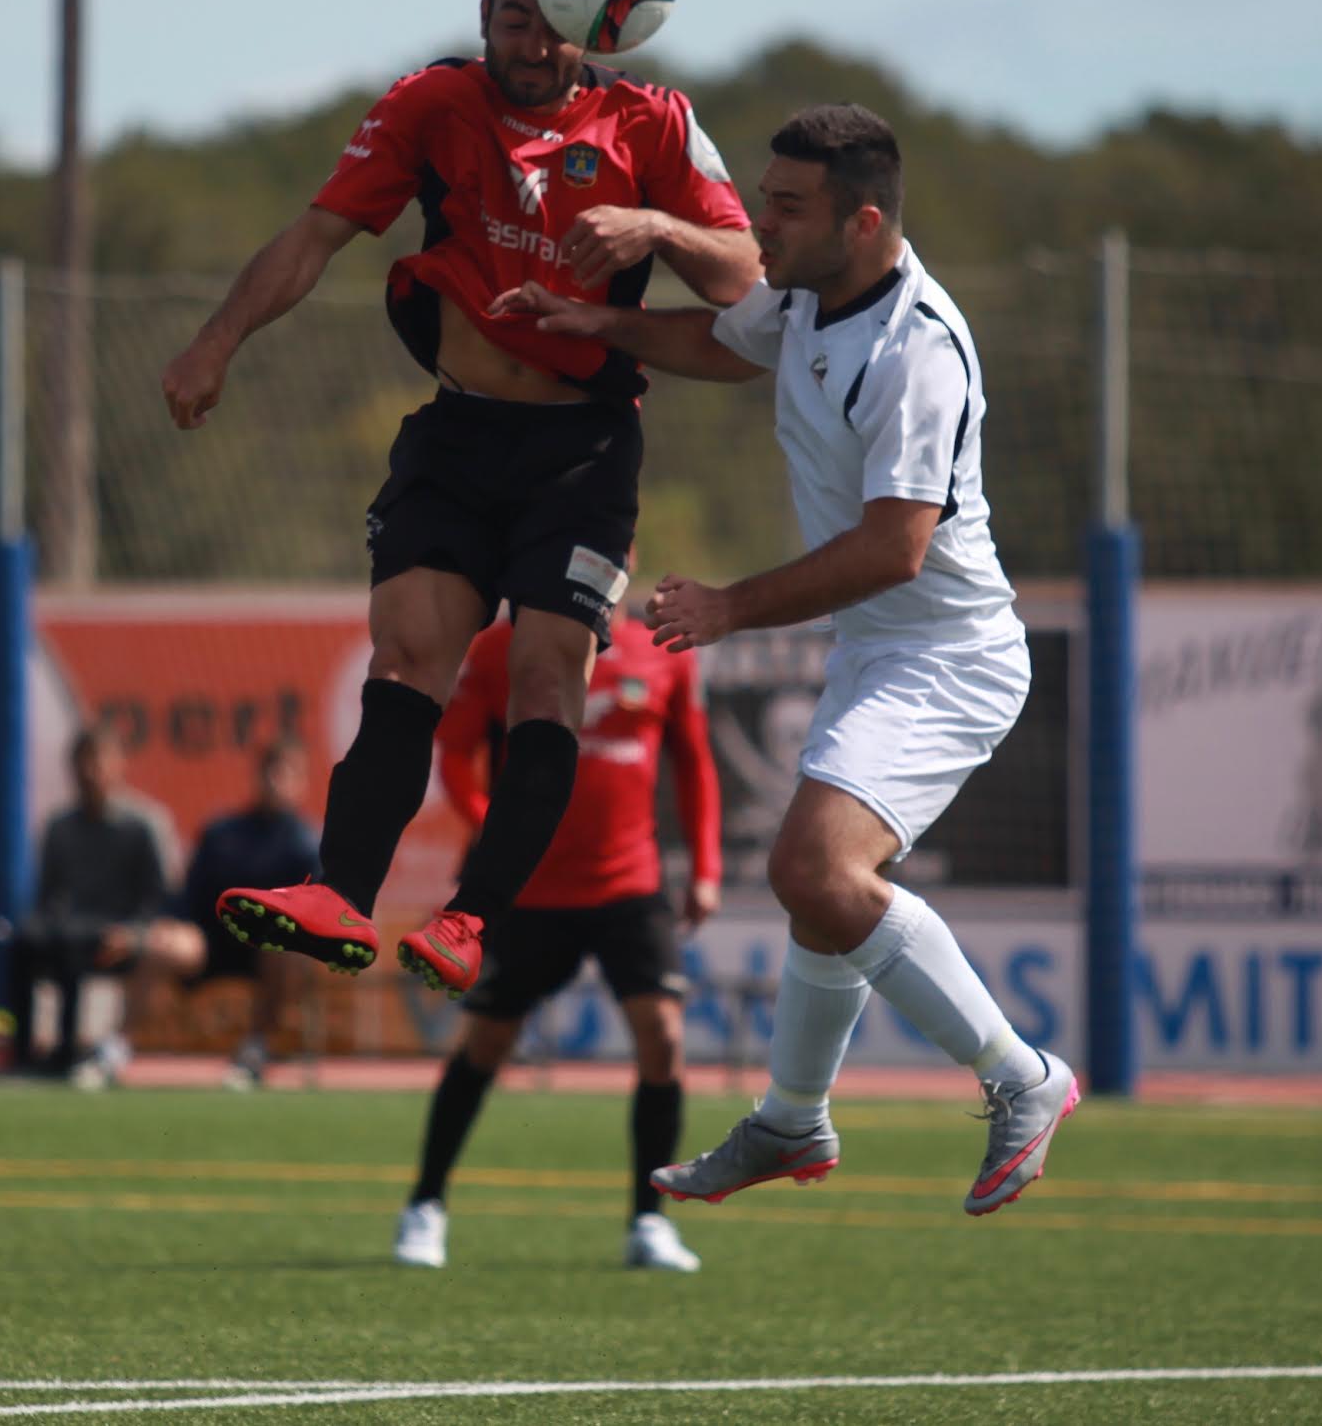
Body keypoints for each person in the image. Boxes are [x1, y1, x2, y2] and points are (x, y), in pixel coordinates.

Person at [489, 104, 1077, 1216]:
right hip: (879, 647)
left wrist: (730, 606)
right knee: (820, 895)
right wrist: (593, 322)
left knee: (814, 870)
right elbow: (722, 344)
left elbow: (896, 548)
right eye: (764, 198)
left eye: (788, 207)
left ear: (863, 222)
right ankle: (792, 1117)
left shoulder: (918, 351)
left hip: (948, 655)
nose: (762, 223)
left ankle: (1023, 1075)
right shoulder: (809, 291)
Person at [160, 0, 760, 999]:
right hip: (459, 432)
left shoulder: (652, 124)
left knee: (546, 676)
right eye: (516, 19)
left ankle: (474, 920)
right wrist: (216, 341)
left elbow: (745, 280)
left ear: (600, 27)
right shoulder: (431, 104)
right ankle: (339, 893)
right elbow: (314, 236)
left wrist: (655, 230)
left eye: (558, 24)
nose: (535, 44)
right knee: (406, 656)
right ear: (485, 14)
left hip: (582, 449)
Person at [393, 590, 723, 1273]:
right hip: (530, 890)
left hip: (630, 884)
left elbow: (694, 762)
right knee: (487, 1041)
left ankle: (648, 1221)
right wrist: (496, 830)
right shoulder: (499, 649)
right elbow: (453, 752)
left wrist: (706, 867)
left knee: (663, 1037)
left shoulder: (662, 653)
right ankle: (425, 1205)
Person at [94, 739, 318, 1091]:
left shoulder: (306, 845)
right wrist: (156, 928)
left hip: (265, 948)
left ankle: (255, 1050)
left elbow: (314, 910)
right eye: (271, 771)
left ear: (301, 783)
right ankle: (115, 1048)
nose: (277, 781)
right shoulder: (222, 832)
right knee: (162, 946)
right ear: (258, 776)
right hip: (213, 940)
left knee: (285, 949)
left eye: (287, 774)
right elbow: (188, 897)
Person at [5, 729, 173, 1075]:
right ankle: (22, 1052)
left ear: (119, 765)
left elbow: (156, 897)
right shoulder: (60, 826)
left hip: (119, 931)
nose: (93, 772)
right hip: (70, 925)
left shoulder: (142, 824)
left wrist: (134, 932)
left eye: (101, 761)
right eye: (85, 762)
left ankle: (67, 1050)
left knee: (71, 944)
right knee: (23, 941)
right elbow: (48, 895)